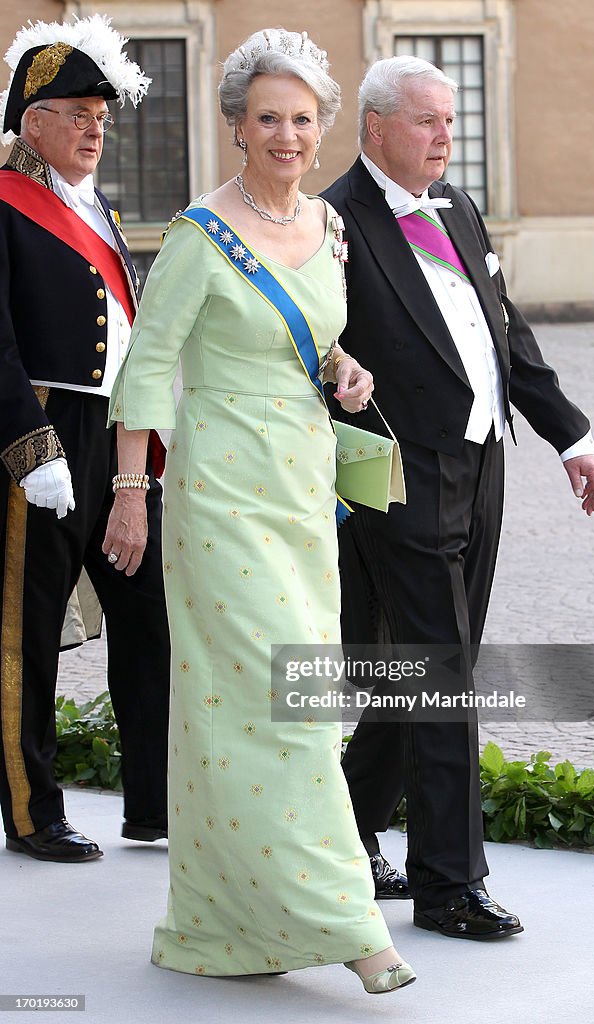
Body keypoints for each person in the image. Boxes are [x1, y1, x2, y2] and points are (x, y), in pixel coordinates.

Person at [103, 29, 415, 994]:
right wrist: (129, 494)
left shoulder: (328, 228)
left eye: (301, 118)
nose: (286, 134)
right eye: (267, 118)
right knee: (274, 702)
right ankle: (349, 922)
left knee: (283, 699)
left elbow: (312, 345)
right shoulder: (202, 234)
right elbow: (148, 367)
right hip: (222, 494)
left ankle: (227, 921)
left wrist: (343, 369)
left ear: (322, 130)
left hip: (302, 490)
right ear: (236, 126)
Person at [322, 56, 594, 938]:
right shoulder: (333, 220)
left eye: (450, 120)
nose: (446, 136)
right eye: (426, 122)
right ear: (374, 128)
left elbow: (504, 331)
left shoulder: (456, 205)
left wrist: (571, 433)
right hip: (395, 479)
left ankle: (347, 826)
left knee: (428, 672)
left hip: (480, 468)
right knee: (442, 679)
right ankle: (447, 883)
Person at [0, 14, 170, 863]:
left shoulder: (93, 206)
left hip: (114, 437)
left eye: (103, 116)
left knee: (153, 613)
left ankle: (155, 802)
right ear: (32, 121)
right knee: (25, 634)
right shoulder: (4, 199)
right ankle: (32, 812)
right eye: (77, 113)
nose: (96, 128)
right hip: (39, 430)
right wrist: (32, 450)